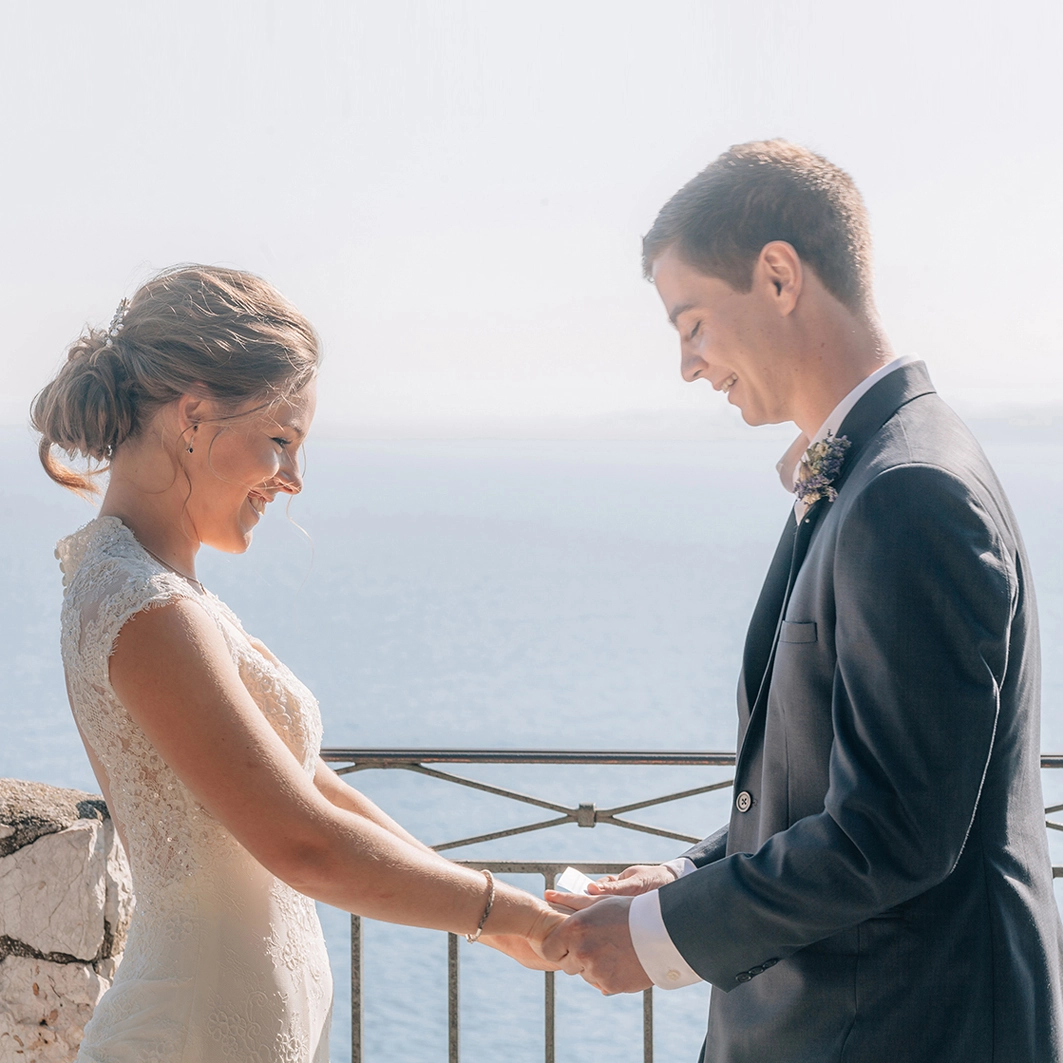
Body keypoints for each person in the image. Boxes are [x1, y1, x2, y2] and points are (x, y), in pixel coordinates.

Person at [544, 141, 1063, 1062]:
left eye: (692, 322)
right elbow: (830, 786)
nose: (687, 365)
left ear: (779, 275)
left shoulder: (911, 490)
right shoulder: (872, 471)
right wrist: (678, 875)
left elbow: (893, 830)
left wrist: (660, 935)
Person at [32, 264, 567, 1063]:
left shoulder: (167, 592)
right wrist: (512, 916)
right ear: (194, 414)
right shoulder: (145, 606)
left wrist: (503, 918)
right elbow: (303, 842)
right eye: (279, 439)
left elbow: (315, 787)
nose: (293, 480)